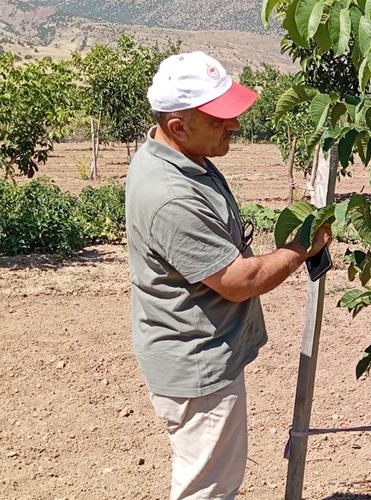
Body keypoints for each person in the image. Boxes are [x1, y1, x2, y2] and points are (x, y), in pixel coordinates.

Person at [125, 51, 332, 499]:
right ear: (178, 125)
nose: (234, 125)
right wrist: (300, 249)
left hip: (198, 348)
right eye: (219, 118)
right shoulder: (170, 194)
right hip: (196, 362)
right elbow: (239, 281)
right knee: (208, 489)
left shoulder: (182, 158)